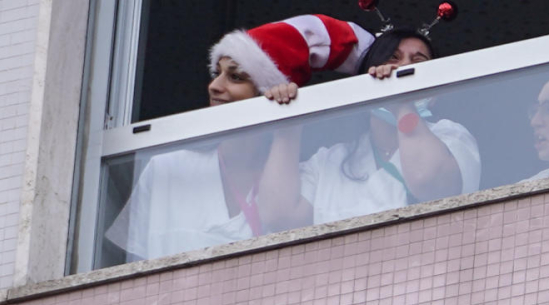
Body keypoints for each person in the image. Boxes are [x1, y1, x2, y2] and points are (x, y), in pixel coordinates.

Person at [106, 14, 372, 262]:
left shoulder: (303, 182)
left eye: (235, 76)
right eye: (217, 73)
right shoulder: (169, 168)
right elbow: (122, 271)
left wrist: (288, 124)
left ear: (267, 93)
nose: (215, 86)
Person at [300, 26, 482, 225]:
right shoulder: (329, 161)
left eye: (418, 61)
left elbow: (428, 181)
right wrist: (286, 115)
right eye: (393, 59)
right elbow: (278, 218)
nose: (403, 68)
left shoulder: (451, 137)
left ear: (434, 97)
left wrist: (401, 101)